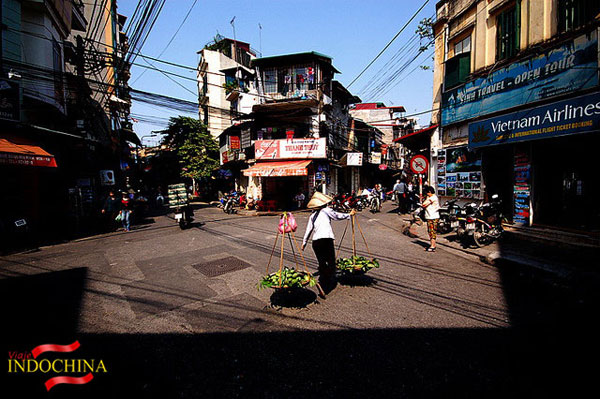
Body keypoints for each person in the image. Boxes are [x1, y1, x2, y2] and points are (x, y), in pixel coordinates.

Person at [302, 192, 356, 297]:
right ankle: (327, 286)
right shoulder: (326, 210)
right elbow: (337, 216)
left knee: (322, 263)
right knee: (331, 262)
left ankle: (323, 282)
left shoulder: (312, 216)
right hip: (326, 240)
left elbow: (308, 230)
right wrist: (349, 215)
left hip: (316, 242)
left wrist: (304, 243)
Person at [421, 186, 440, 252]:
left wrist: (427, 198)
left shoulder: (432, 198)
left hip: (432, 216)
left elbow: (423, 205)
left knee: (432, 231)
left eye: (427, 193)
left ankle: (433, 246)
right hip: (431, 216)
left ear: (429, 192)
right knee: (430, 231)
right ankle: (432, 245)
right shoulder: (433, 197)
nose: (426, 194)